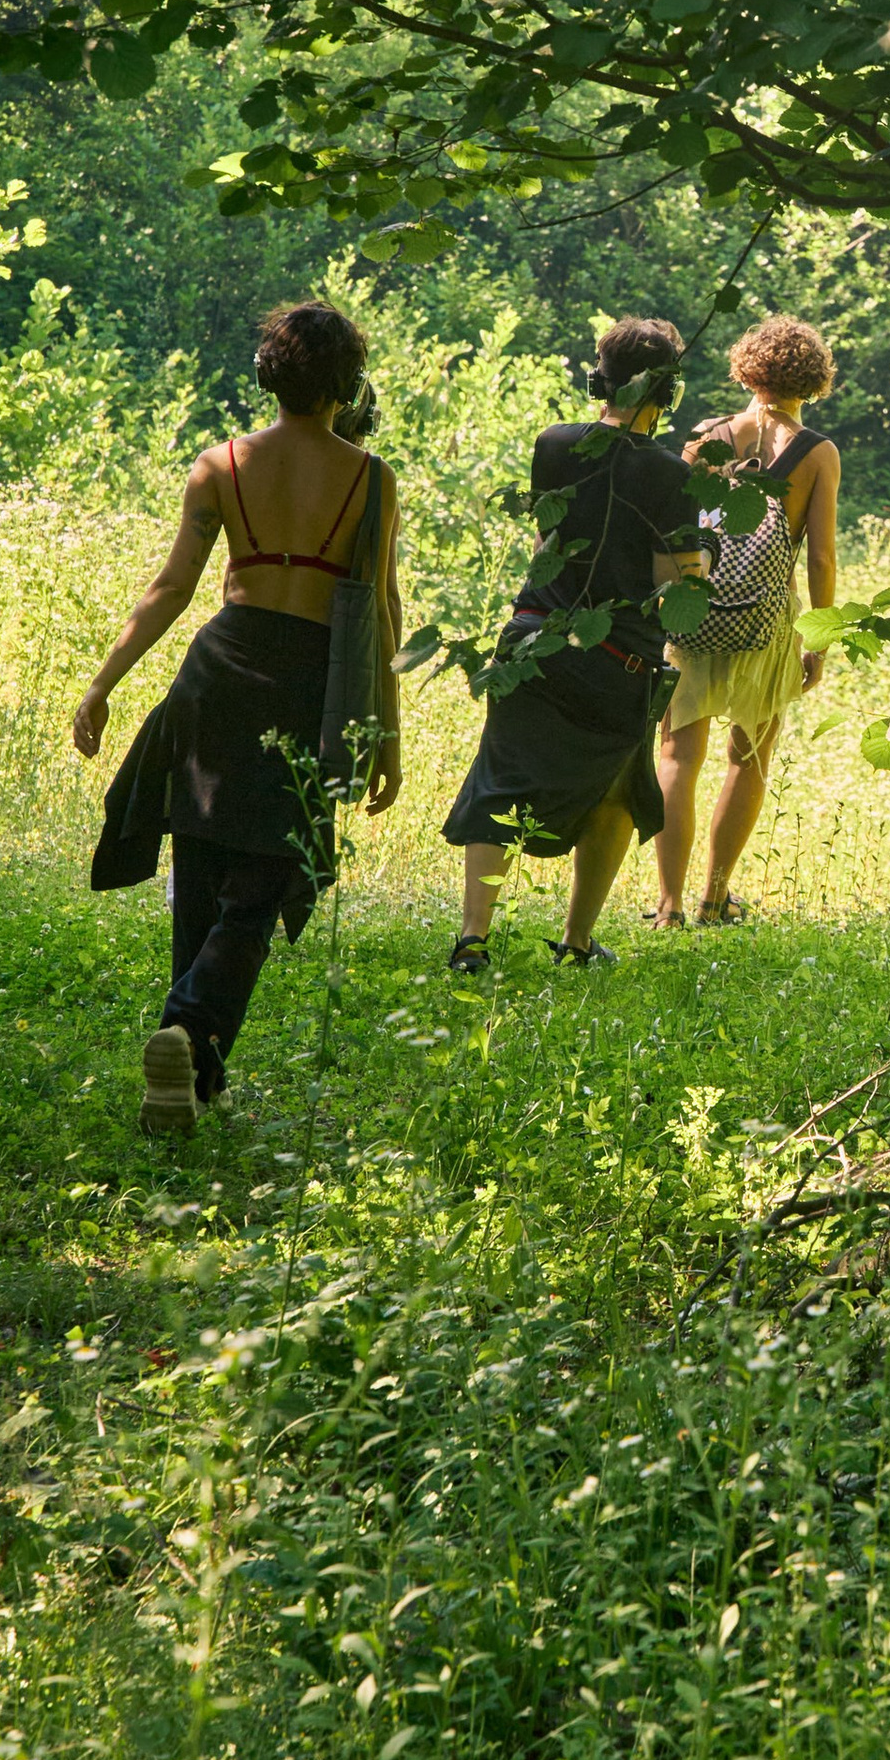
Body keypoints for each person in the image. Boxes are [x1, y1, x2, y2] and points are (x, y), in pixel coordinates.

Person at [75, 300, 402, 1136]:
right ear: (346, 384)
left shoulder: (219, 464)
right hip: (307, 686)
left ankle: (192, 1075)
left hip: (215, 676)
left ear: (270, 375)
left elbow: (172, 587)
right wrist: (383, 734)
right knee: (262, 887)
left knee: (203, 880)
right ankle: (187, 1031)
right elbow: (382, 613)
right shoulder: (370, 478)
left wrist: (102, 684)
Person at [441, 316, 708, 972]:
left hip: (532, 639)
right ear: (666, 393)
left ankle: (473, 939)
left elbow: (548, 543)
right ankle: (577, 944)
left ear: (601, 378)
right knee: (617, 791)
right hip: (617, 661)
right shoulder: (672, 477)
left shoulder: (554, 444)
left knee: (499, 781)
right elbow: (673, 587)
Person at [652, 316, 840, 929]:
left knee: (679, 757)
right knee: (748, 756)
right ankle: (715, 897)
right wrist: (819, 639)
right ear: (812, 380)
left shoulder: (706, 438)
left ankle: (668, 904)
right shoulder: (817, 454)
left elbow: (677, 528)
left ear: (747, 367)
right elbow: (820, 555)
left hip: (695, 608)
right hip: (767, 620)